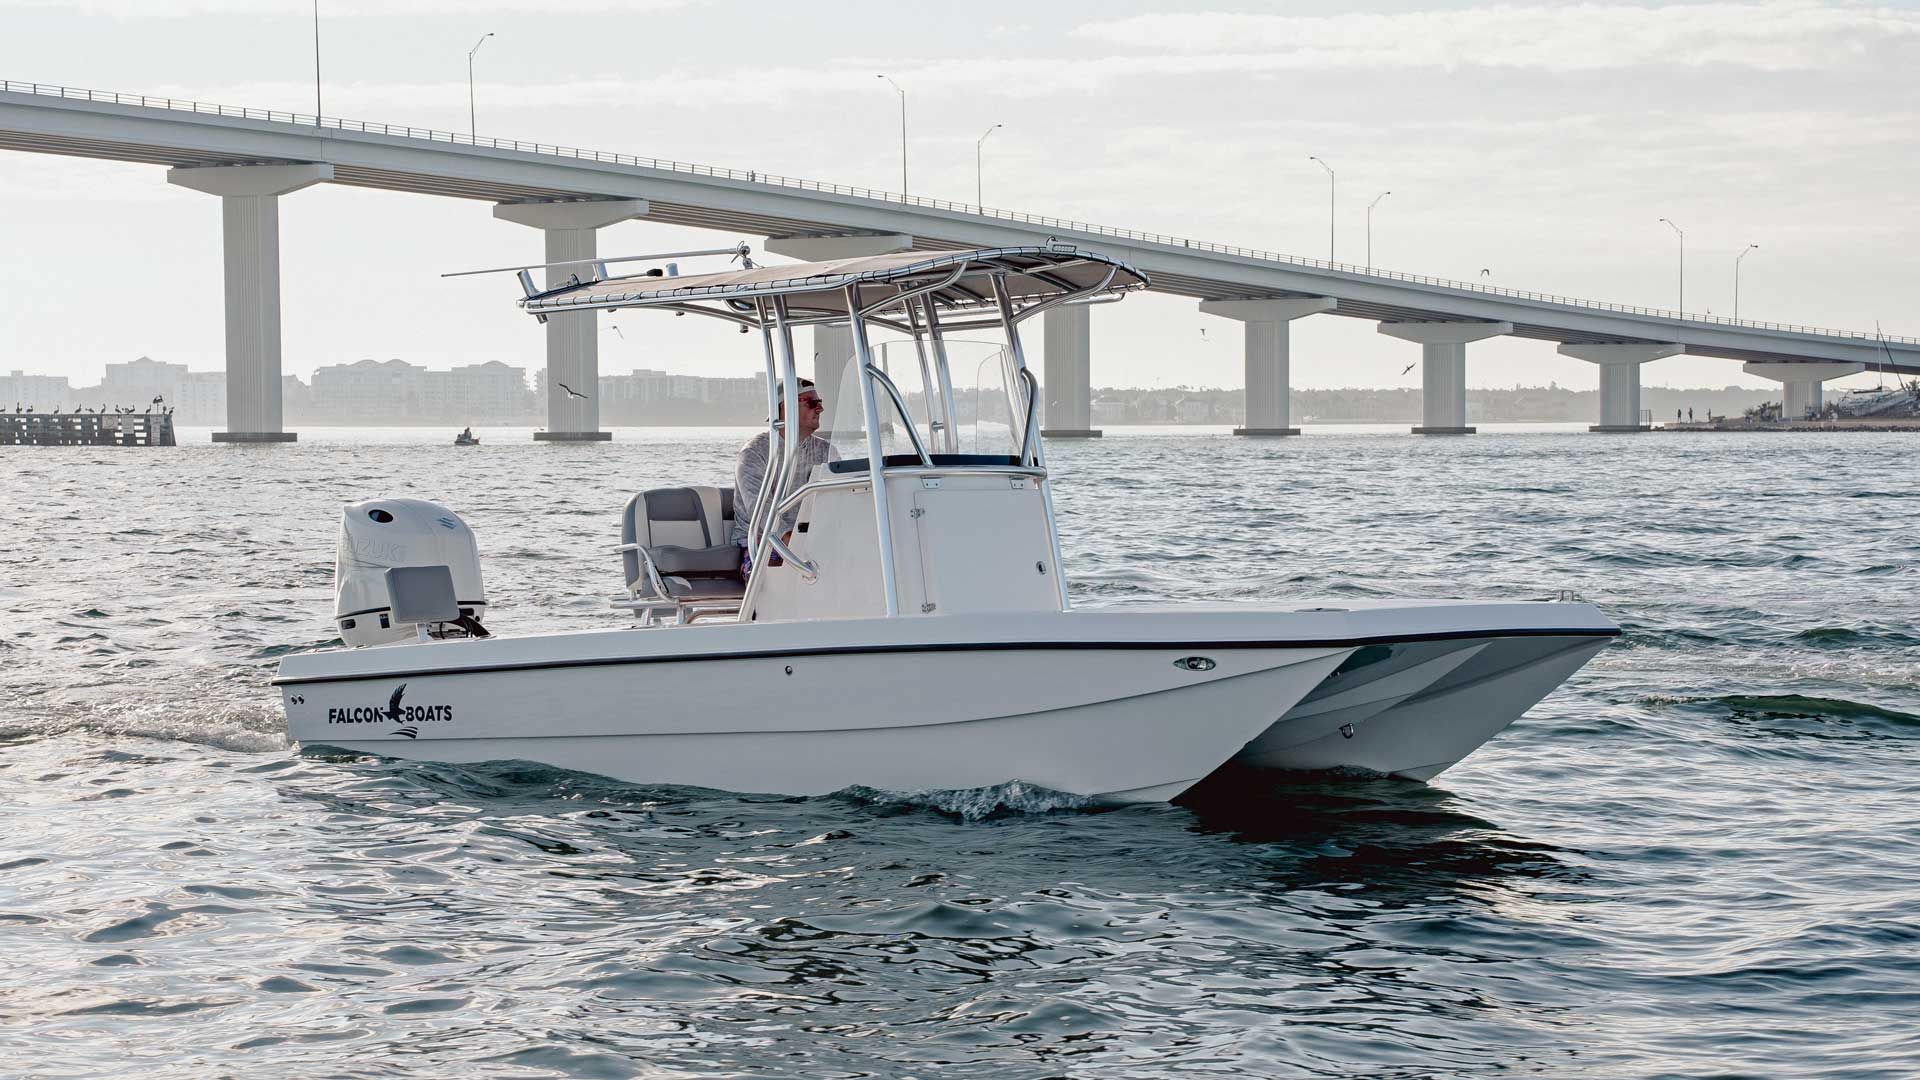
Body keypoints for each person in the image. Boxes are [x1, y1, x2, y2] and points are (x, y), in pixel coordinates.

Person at [733, 380, 835, 574]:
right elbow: (760, 509)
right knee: (781, 577)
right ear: (785, 408)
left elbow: (840, 501)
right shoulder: (754, 453)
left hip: (814, 544)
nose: (820, 408)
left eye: (820, 402)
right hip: (762, 545)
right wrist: (792, 540)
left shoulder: (827, 451)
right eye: (812, 402)